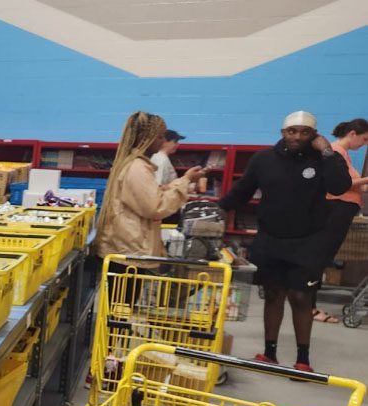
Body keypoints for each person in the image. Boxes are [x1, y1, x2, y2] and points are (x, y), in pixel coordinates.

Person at [218, 111, 351, 372]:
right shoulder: (263, 159)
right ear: (283, 133)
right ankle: (269, 354)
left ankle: (303, 360)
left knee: (301, 297)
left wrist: (327, 153)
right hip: (270, 239)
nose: (297, 137)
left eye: (304, 132)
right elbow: (241, 191)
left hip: (308, 240)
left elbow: (339, 187)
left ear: (314, 135)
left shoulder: (322, 159)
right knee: (273, 294)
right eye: (292, 131)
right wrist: (217, 209)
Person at [94, 112, 205, 279]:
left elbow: (150, 196)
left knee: (121, 303)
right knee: (123, 303)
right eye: (159, 136)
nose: (163, 141)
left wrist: (178, 184)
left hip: (126, 247)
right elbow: (155, 207)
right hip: (129, 252)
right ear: (146, 138)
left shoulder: (133, 164)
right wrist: (186, 181)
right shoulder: (137, 168)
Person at [312, 118, 368, 323]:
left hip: (342, 211)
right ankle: (309, 307)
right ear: (352, 134)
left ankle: (308, 305)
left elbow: (351, 184)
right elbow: (341, 184)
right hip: (335, 211)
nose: (364, 144)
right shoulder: (335, 152)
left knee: (322, 257)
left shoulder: (344, 155)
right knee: (319, 258)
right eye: (364, 139)